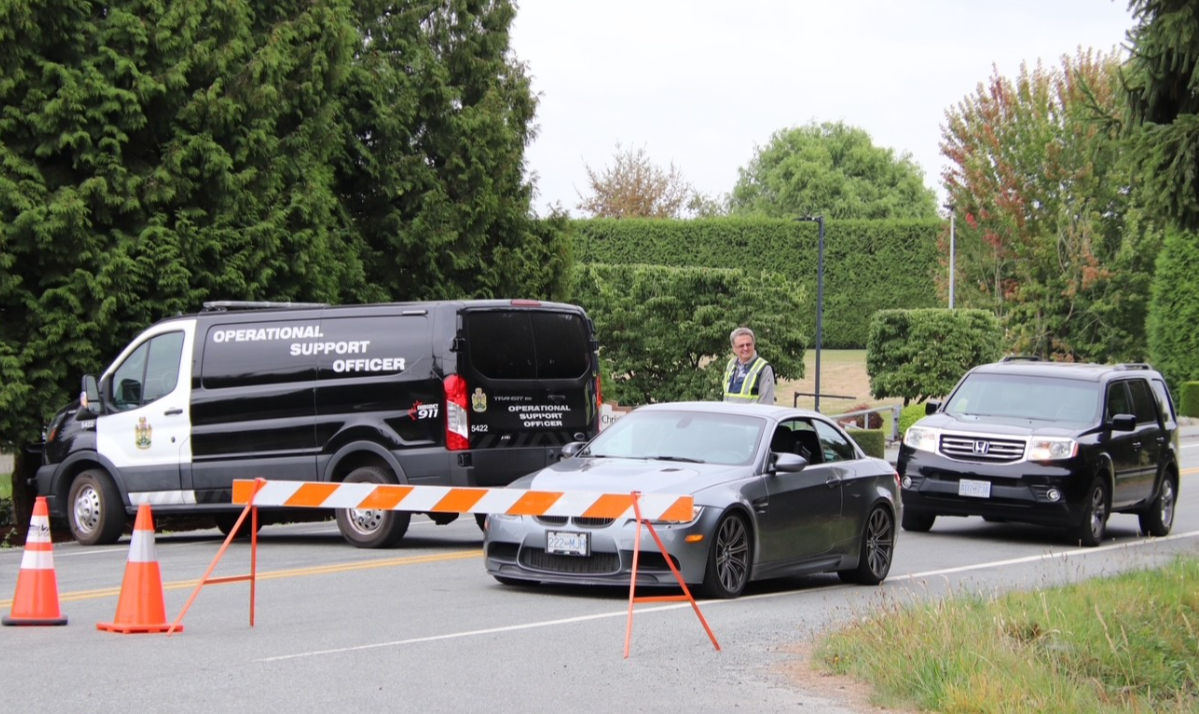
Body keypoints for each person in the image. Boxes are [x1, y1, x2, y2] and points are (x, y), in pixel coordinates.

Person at [723, 327, 774, 404]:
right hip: (730, 415)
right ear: (734, 348)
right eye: (741, 346)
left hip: (751, 416)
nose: (745, 348)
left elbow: (766, 403)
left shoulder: (764, 368)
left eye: (748, 344)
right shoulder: (730, 365)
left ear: (754, 345)